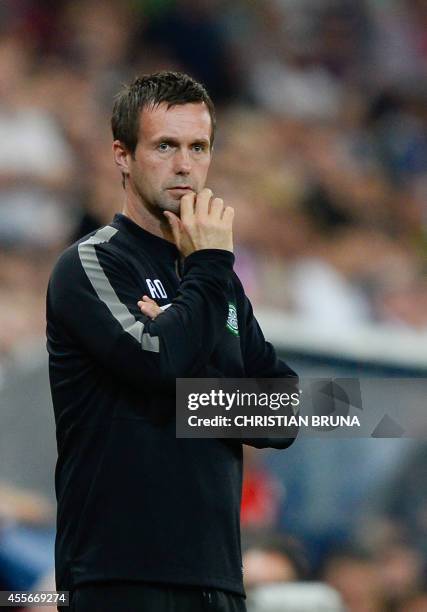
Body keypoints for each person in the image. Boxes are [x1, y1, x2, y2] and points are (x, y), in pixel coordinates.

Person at [46, 71, 298, 612]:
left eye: (198, 147)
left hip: (219, 579)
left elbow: (287, 412)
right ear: (122, 155)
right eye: (165, 145)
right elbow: (158, 361)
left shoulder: (220, 285)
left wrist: (187, 371)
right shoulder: (92, 263)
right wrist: (207, 267)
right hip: (117, 576)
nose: (185, 165)